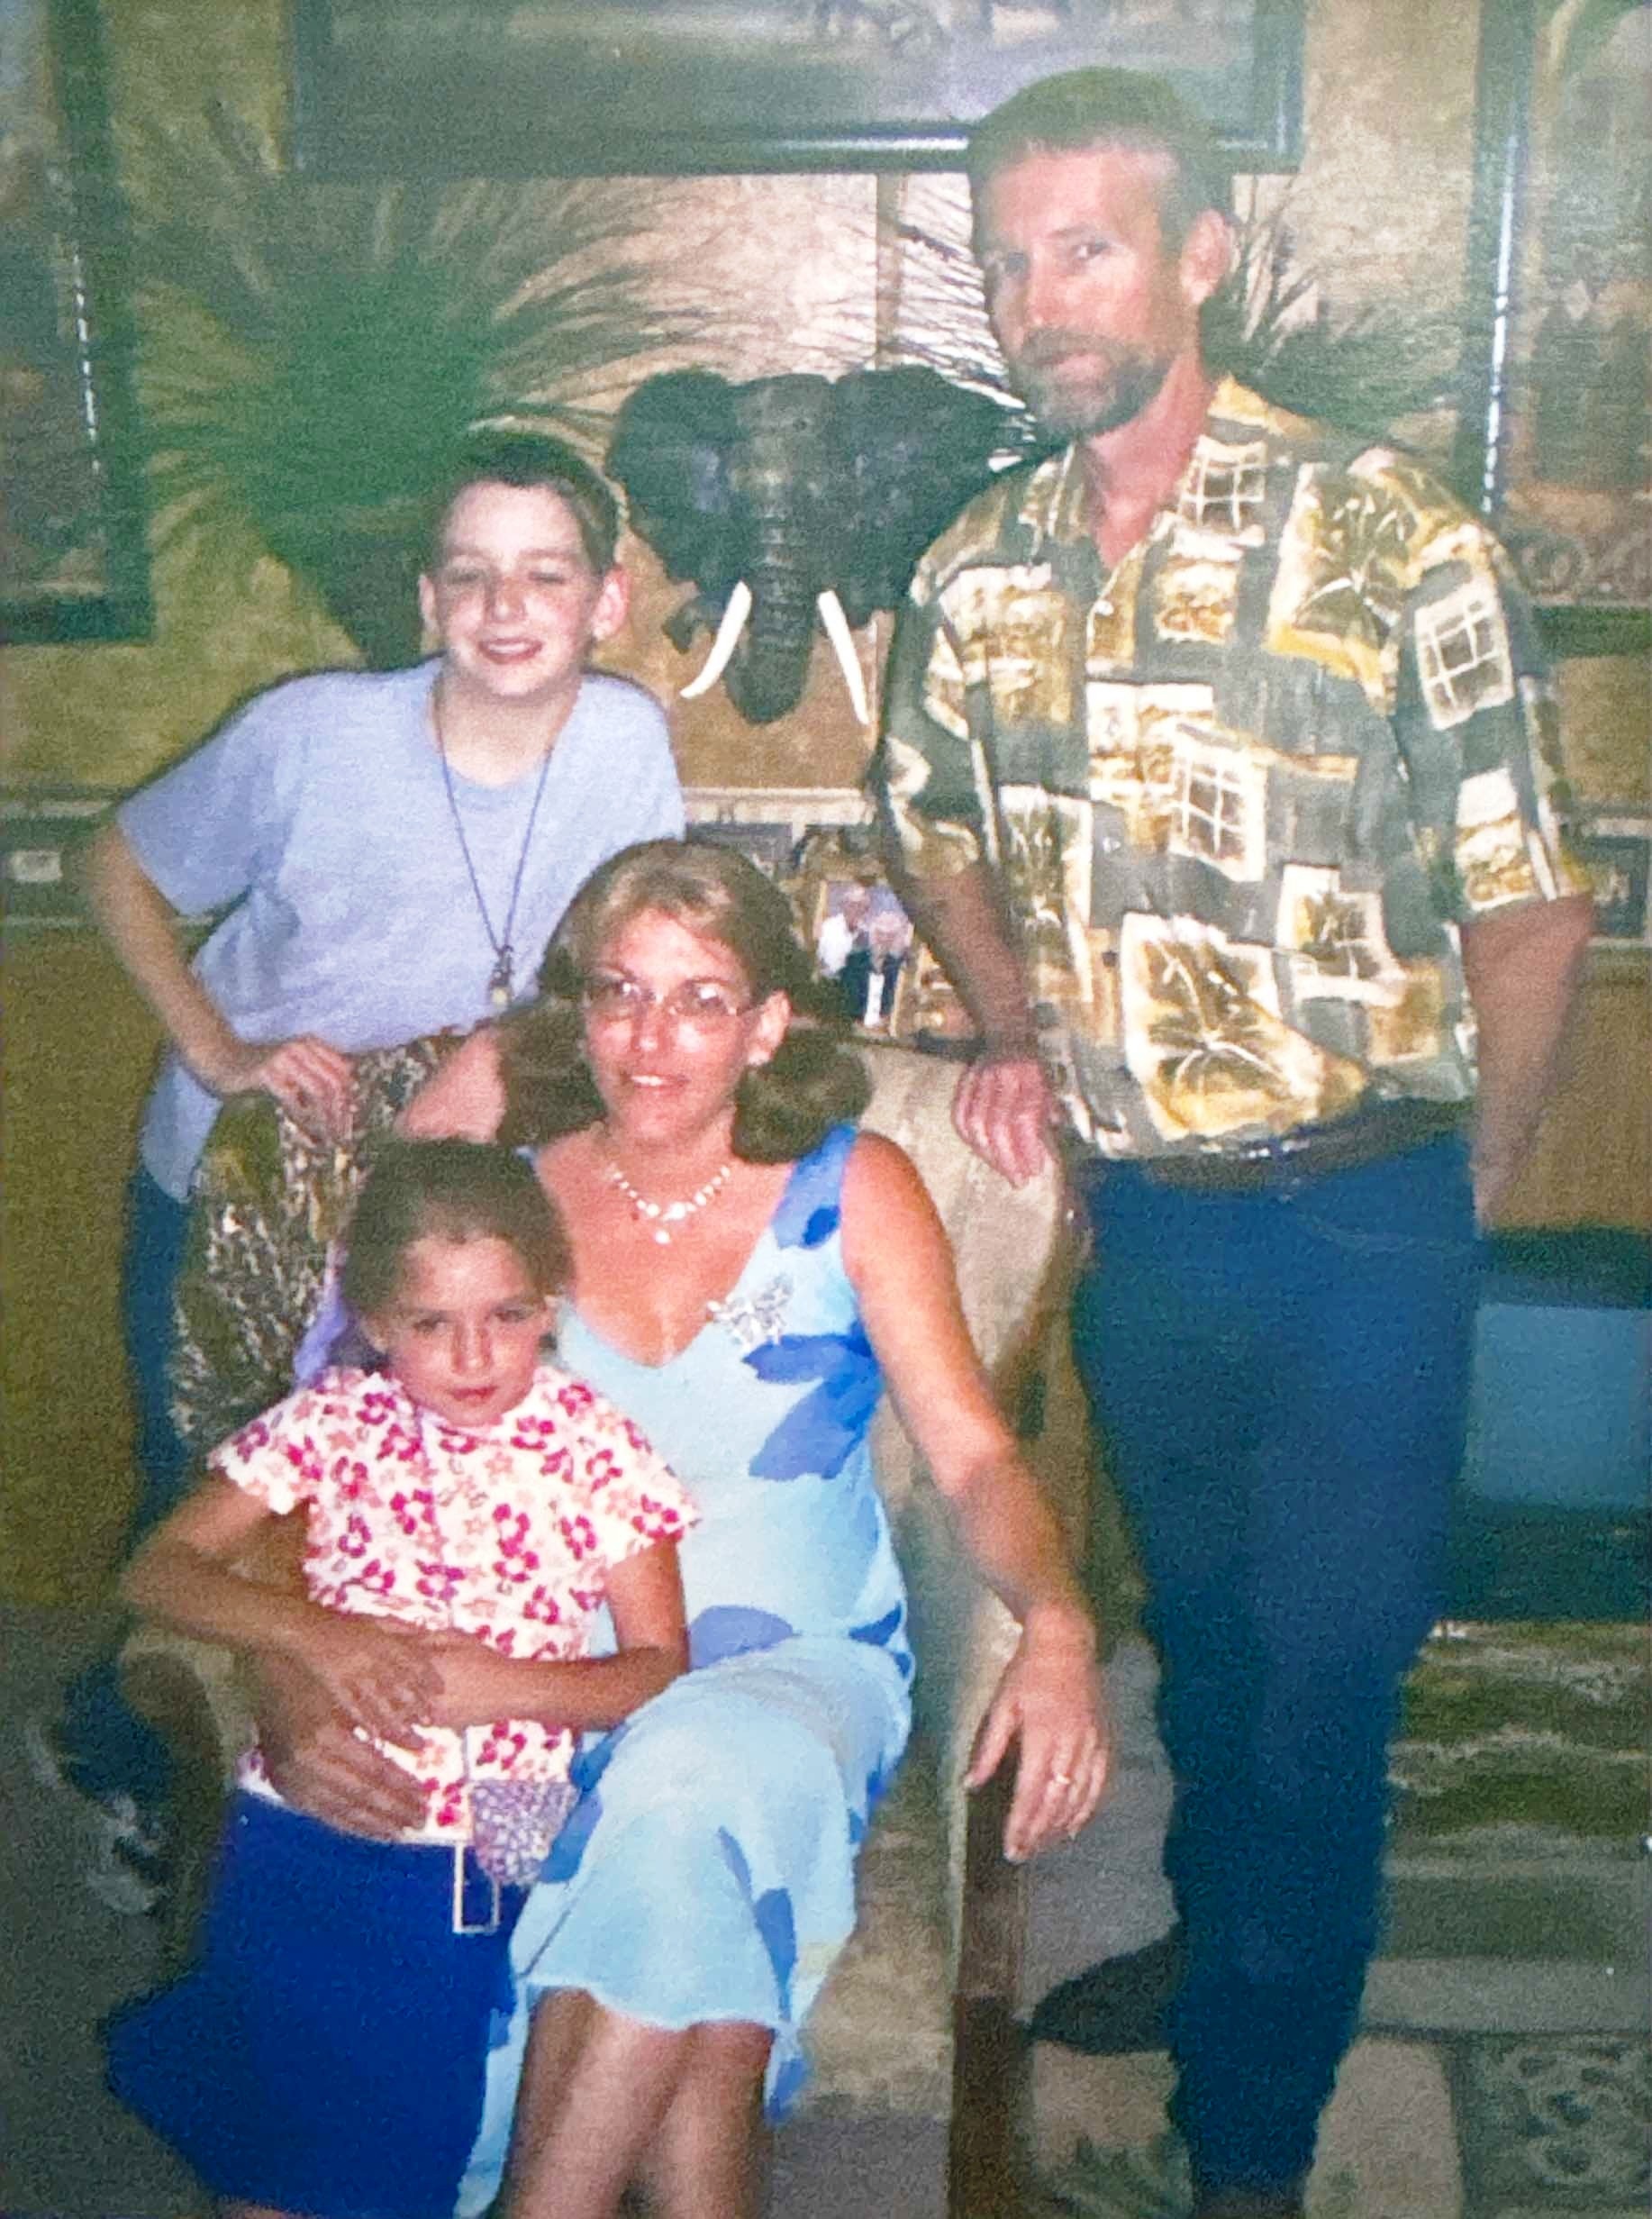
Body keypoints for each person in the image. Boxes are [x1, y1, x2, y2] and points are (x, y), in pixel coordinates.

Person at [871, 67, 1595, 2219]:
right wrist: (1017, 1028)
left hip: (1369, 1213)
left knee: (1324, 1692)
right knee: (1205, 1644)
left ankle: (1257, 2139)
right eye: (1007, 258)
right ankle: (1221, 1945)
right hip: (1154, 1232)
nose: (1038, 299)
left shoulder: (1388, 539)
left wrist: (1471, 1177)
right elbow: (928, 823)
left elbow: (1531, 903)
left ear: (1199, 256)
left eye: (1085, 246)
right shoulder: (977, 570)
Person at [253, 837, 1109, 2219]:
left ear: (765, 1024)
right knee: (682, 1998)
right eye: (621, 992)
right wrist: (289, 1673)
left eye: (701, 998)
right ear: (579, 1012)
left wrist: (1056, 1622)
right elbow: (334, 1461)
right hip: (540, 1698)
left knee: (691, 1773)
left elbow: (972, 1455)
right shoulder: (499, 1204)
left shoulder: (854, 1188)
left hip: (792, 1674)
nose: (652, 1039)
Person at [40, 429, 684, 1907]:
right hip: (256, 1178)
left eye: (545, 574)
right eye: (470, 575)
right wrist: (216, 1046)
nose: (506, 608)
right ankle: (132, 1757)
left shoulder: (624, 745)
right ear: (425, 597)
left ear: (604, 598)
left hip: (447, 1194)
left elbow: (619, 957)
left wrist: (502, 1049)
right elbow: (110, 864)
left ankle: (437, 1824)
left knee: (428, 1497)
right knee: (226, 1492)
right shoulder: (311, 733)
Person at [104, 1140, 698, 2219]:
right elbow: (159, 1571)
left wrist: (503, 1687)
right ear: (377, 1323)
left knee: (399, 2129)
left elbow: (658, 1669)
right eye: (431, 1324)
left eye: (507, 1315)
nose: (474, 1355)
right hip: (298, 1812)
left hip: (491, 1826)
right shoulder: (333, 1422)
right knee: (267, 2108)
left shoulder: (597, 1447)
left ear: (551, 1304)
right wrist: (318, 1638)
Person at [839, 907, 912, 1029]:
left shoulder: (898, 967)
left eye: (890, 936)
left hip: (884, 1029)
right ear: (873, 934)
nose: (884, 939)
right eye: (880, 933)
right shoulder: (854, 961)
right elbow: (845, 995)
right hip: (852, 1025)